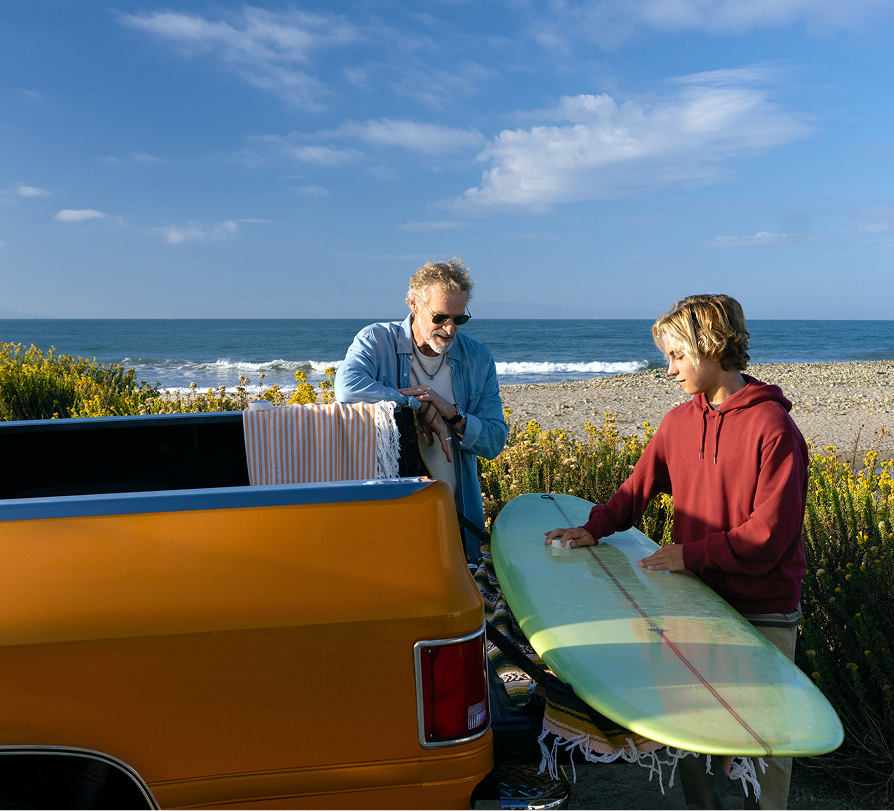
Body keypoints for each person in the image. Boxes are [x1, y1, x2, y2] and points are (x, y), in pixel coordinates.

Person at [545, 294, 808, 811]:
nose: (669, 370)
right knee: (694, 735)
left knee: (768, 743)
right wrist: (594, 528)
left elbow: (768, 538)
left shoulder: (774, 428)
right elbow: (635, 491)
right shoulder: (678, 423)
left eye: (677, 356)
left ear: (712, 346)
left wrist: (689, 555)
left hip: (764, 610)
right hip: (696, 605)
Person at [334, 257, 507, 538]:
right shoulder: (377, 341)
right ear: (414, 305)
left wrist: (452, 413)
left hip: (455, 513)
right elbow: (347, 388)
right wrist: (418, 405)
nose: (450, 329)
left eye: (459, 319)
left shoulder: (479, 358)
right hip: (391, 508)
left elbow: (495, 441)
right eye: (440, 317)